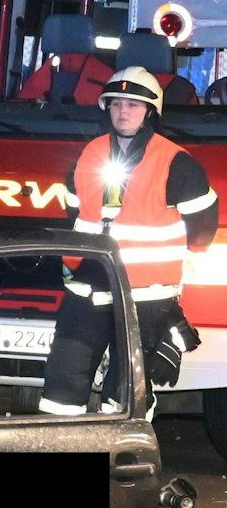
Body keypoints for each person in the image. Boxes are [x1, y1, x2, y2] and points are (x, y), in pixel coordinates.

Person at [39, 66, 216, 417]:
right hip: (86, 291)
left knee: (124, 398)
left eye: (133, 105)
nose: (123, 111)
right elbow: (72, 213)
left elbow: (203, 229)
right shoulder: (88, 153)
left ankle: (124, 469)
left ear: (151, 111)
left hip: (144, 298)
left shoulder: (177, 163)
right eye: (117, 103)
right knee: (61, 390)